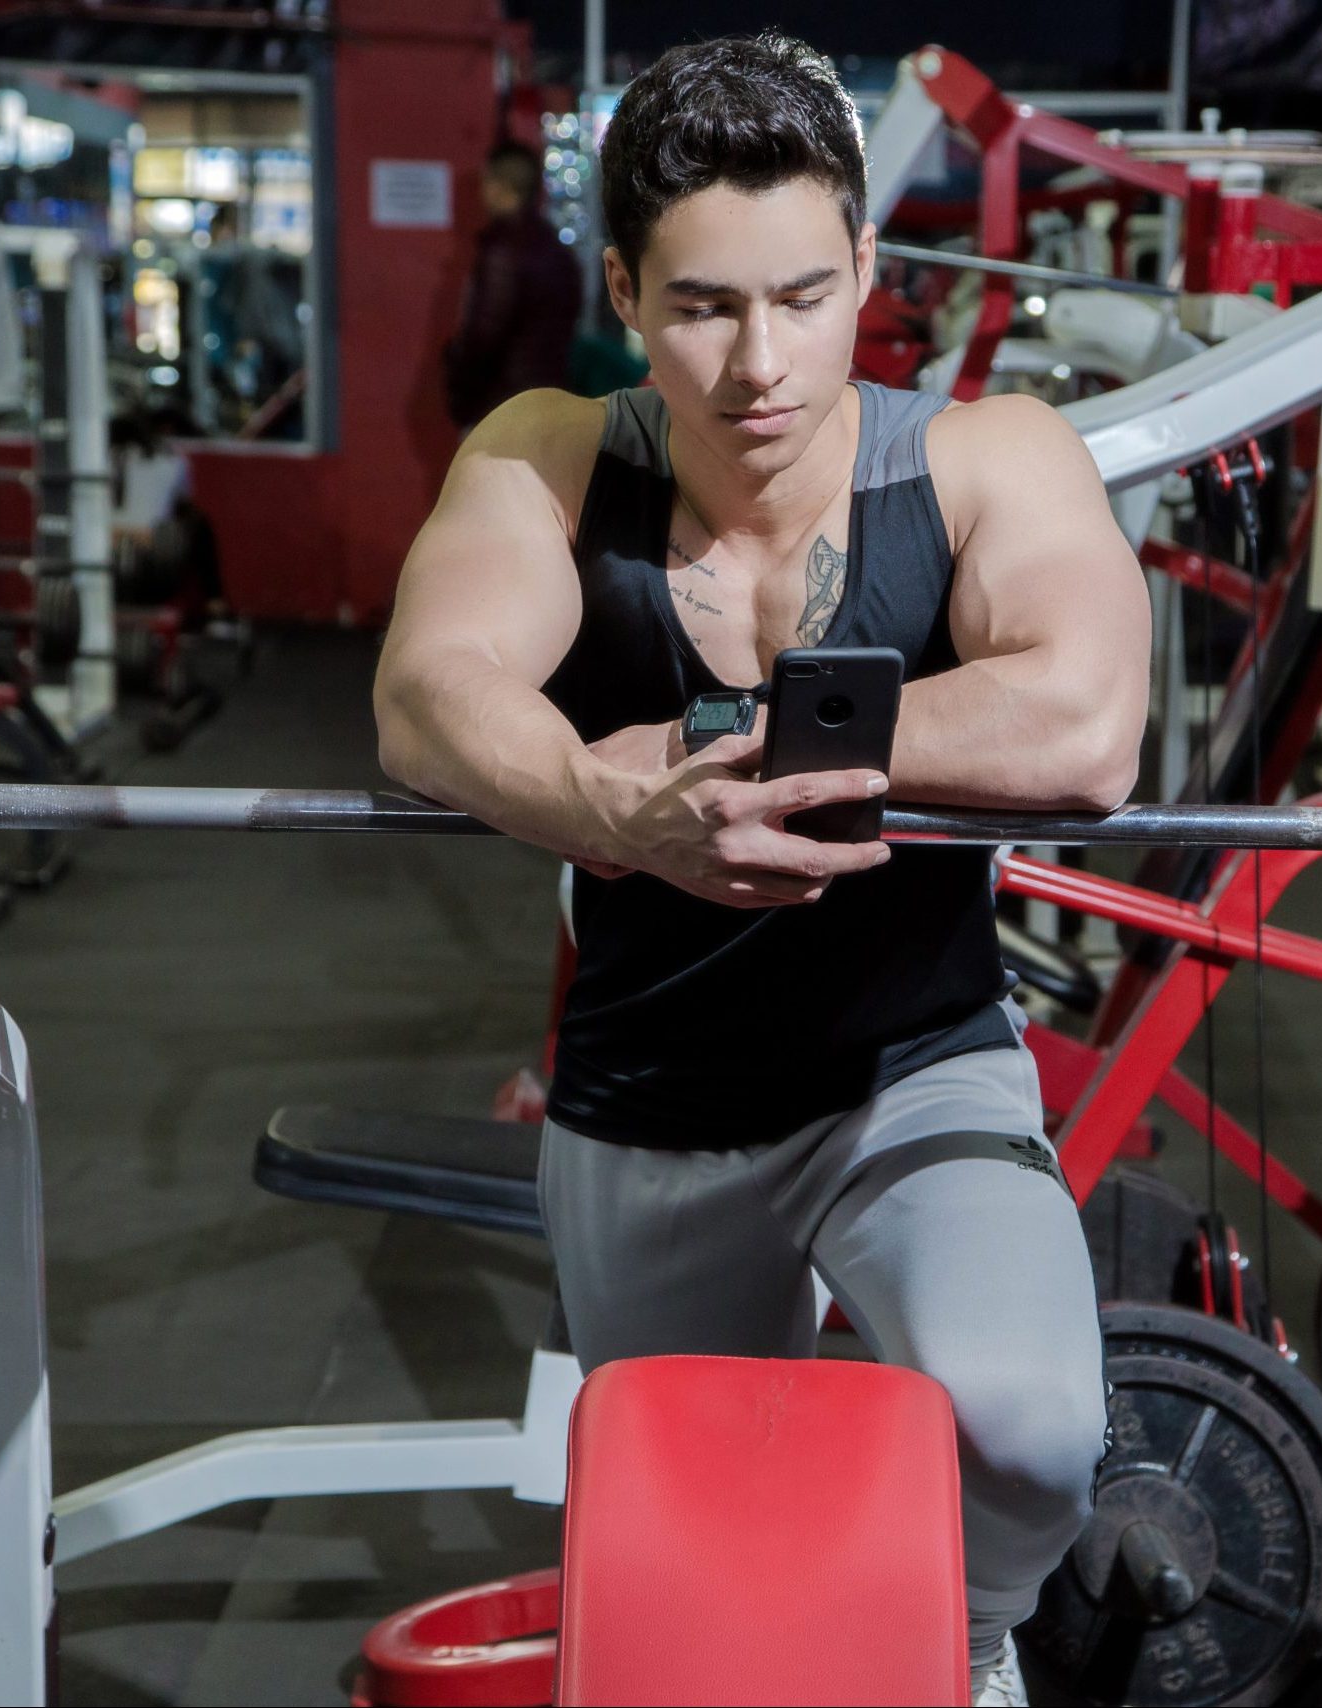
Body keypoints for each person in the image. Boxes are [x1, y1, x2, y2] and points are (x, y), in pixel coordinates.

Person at [377, 34, 1149, 1705]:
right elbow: (430, 699)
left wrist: (728, 739)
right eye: (705, 306)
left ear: (869, 266)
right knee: (697, 1558)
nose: (759, 361)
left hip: (914, 1070)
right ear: (625, 292)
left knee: (1031, 1424)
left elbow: (1086, 727)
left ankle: (972, 1645)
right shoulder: (555, 449)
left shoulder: (985, 458)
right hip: (653, 1098)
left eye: (803, 296)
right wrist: (614, 808)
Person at [443, 140, 582, 432]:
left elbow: (484, 332)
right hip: (549, 396)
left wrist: (459, 384)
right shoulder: (555, 249)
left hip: (500, 403)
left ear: (497, 185)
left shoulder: (502, 250)